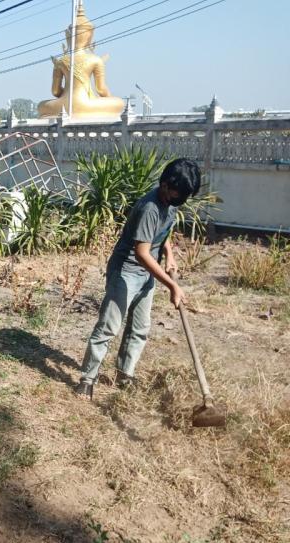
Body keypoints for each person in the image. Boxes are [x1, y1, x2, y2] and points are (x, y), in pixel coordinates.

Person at [75, 158, 201, 399]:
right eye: (177, 194)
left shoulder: (172, 202)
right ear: (165, 185)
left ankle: (125, 373)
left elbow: (163, 233)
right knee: (109, 327)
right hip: (126, 271)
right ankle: (87, 379)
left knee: (140, 328)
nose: (179, 200)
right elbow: (142, 254)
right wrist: (172, 285)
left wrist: (169, 253)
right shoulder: (149, 208)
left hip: (147, 273)